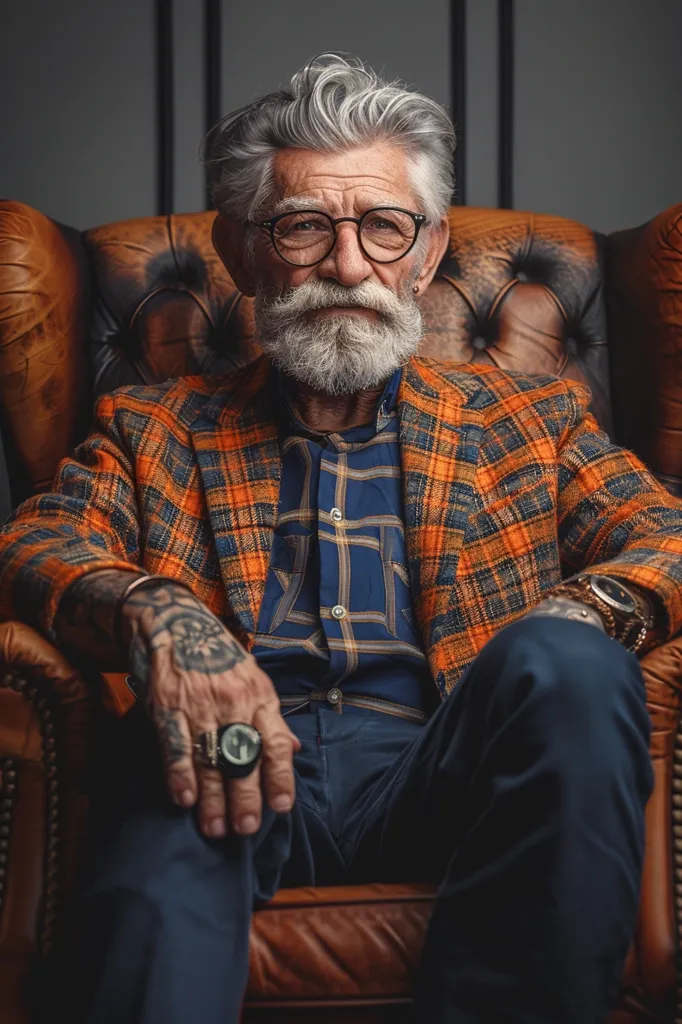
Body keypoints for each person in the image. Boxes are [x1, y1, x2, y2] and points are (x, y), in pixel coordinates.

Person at [0, 53, 680, 1024]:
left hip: (447, 768)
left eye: (383, 226)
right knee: (172, 750)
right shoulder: (151, 429)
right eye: (305, 226)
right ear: (242, 250)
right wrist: (160, 614)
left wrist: (584, 608)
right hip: (238, 756)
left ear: (429, 249)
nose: (350, 265)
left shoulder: (533, 420)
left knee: (573, 664)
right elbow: (33, 549)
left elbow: (668, 536)